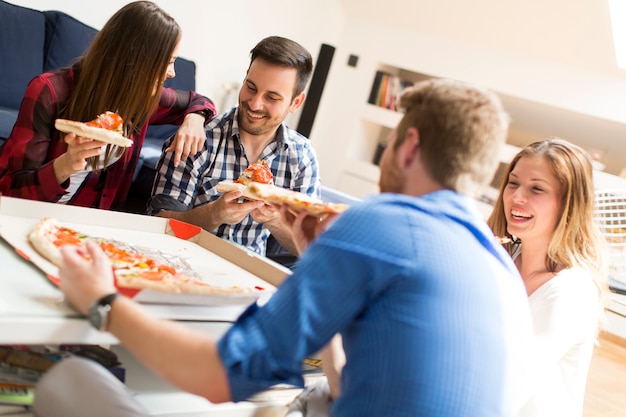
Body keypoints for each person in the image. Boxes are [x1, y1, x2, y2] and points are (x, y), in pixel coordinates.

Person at [34, 78, 532, 417]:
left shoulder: (381, 222)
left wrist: (104, 302)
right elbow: (350, 384)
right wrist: (316, 258)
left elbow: (219, 376)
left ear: (409, 147)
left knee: (70, 379)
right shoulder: (502, 269)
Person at [0, 1, 215, 210]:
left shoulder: (141, 99)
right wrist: (64, 165)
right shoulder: (49, 91)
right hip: (27, 214)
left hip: (91, 226)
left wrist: (195, 119)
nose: (172, 73)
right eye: (168, 62)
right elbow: (12, 191)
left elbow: (199, 101)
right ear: (137, 61)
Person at [147, 36, 319, 256]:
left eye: (272, 97)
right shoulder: (199, 137)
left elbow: (309, 248)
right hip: (182, 259)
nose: (255, 104)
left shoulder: (302, 157)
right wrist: (214, 214)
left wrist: (275, 220)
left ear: (295, 103)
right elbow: (158, 224)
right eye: (251, 87)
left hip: (249, 277)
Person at [487, 138, 609, 417]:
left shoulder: (570, 293)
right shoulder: (502, 261)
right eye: (513, 183)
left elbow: (506, 392)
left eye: (537, 188)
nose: (517, 197)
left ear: (569, 204)